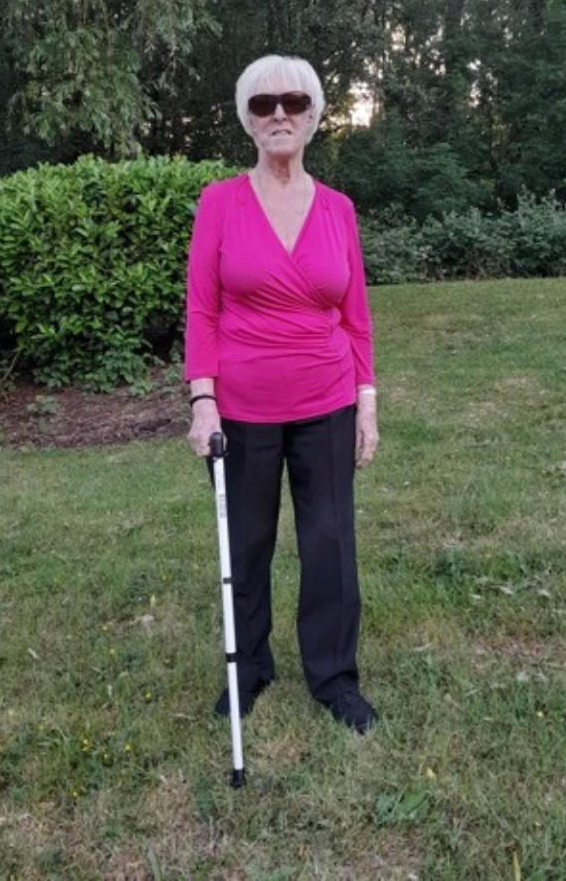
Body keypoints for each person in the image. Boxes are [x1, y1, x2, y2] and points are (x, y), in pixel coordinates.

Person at [184, 54, 379, 733]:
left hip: (328, 400)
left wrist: (368, 402)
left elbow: (356, 315)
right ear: (247, 118)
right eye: (263, 105)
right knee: (247, 543)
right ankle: (250, 665)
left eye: (292, 102)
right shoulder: (219, 202)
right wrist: (201, 398)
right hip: (242, 406)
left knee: (329, 541)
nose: (278, 115)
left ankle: (333, 676)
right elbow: (202, 310)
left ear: (313, 115)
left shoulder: (339, 210)